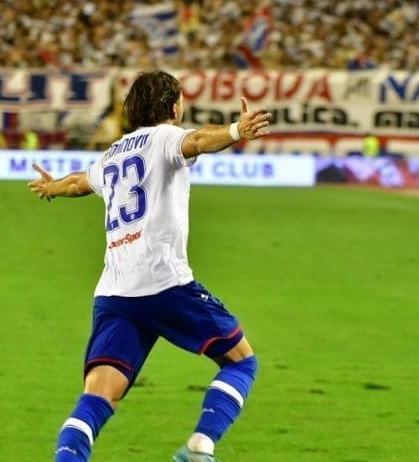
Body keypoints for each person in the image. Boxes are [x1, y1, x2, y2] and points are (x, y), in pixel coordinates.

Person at [28, 71, 272, 462]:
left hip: (115, 295)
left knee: (98, 396)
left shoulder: (113, 154)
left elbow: (77, 184)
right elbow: (198, 140)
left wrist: (51, 187)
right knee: (241, 362)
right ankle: (200, 446)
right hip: (165, 285)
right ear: (174, 107)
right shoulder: (165, 138)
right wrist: (236, 130)